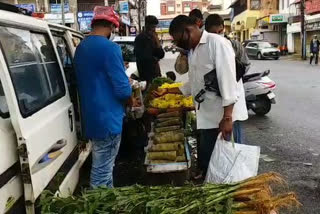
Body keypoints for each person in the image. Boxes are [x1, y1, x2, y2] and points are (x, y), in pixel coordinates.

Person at [164, 15, 248, 177]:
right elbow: (195, 83)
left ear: (188, 31)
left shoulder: (217, 44)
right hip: (208, 116)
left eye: (178, 39)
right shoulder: (193, 51)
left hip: (224, 115)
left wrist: (228, 117)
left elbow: (228, 82)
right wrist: (169, 91)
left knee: (230, 164)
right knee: (214, 164)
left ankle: (237, 196)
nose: (177, 44)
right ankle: (220, 194)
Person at [74, 6, 132, 188]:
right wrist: (131, 96)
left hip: (91, 117)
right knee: (102, 171)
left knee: (105, 166)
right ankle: (97, 204)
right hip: (109, 118)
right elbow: (123, 90)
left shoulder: (81, 47)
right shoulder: (110, 48)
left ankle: (108, 202)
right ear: (111, 26)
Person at [205, 14, 250, 144]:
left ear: (223, 28)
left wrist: (230, 75)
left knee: (235, 146)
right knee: (219, 147)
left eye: (220, 32)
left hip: (233, 102)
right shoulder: (206, 47)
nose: (218, 35)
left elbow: (245, 65)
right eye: (214, 33)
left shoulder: (234, 45)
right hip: (216, 105)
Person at [134, 15, 165, 86]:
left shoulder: (153, 38)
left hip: (156, 75)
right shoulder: (140, 38)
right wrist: (154, 58)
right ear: (147, 26)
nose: (154, 29)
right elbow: (143, 58)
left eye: (155, 27)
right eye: (152, 27)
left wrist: (157, 43)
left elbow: (161, 54)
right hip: (146, 77)